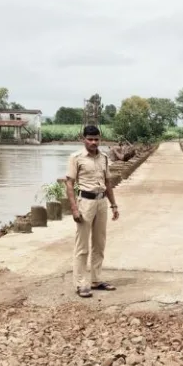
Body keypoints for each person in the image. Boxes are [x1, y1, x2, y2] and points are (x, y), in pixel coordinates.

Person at [65, 124, 120, 298]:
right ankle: (80, 283)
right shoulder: (76, 158)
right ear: (84, 140)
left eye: (96, 139)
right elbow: (69, 184)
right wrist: (74, 208)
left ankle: (96, 280)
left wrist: (114, 205)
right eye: (90, 139)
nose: (93, 142)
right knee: (82, 246)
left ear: (99, 139)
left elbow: (108, 182)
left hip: (101, 201)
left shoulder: (104, 158)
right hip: (85, 203)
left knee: (99, 243)